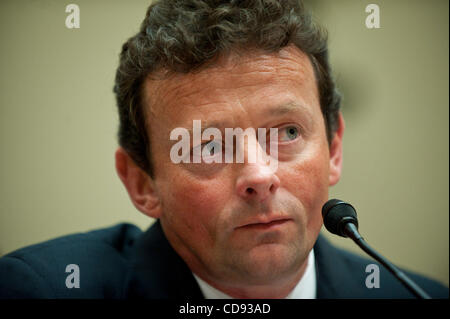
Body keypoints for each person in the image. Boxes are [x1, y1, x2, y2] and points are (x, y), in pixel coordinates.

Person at [0, 0, 447, 299]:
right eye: (208, 145)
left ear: (332, 149)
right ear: (142, 182)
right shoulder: (41, 290)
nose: (258, 175)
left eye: (288, 132)